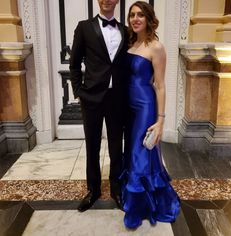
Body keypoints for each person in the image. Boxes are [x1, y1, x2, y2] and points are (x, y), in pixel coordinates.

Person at [121, 1, 180, 229]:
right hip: (127, 108)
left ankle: (139, 207)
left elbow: (161, 85)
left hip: (145, 107)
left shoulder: (156, 46)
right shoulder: (130, 42)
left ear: (148, 19)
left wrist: (161, 120)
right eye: (132, 15)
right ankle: (137, 199)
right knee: (132, 152)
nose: (135, 19)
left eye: (140, 15)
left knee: (140, 152)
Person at [70, 0, 128, 212]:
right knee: (92, 146)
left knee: (116, 147)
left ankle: (116, 190)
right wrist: (78, 91)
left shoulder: (126, 30)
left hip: (117, 98)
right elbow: (74, 63)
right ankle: (93, 190)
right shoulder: (84, 27)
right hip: (92, 97)